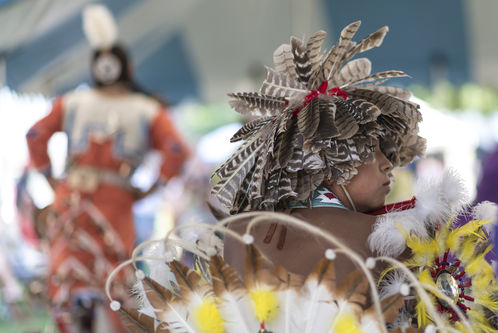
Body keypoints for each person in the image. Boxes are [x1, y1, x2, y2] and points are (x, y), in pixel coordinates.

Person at [212, 22, 426, 283]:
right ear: (328, 162)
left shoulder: (240, 231)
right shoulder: (388, 237)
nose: (388, 165)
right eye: (371, 149)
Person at [25, 5, 189, 332]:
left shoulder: (71, 102)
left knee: (67, 285)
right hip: (116, 205)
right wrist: (149, 189)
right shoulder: (147, 109)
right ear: (128, 67)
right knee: (113, 288)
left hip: (70, 201)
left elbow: (34, 135)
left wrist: (50, 178)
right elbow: (176, 150)